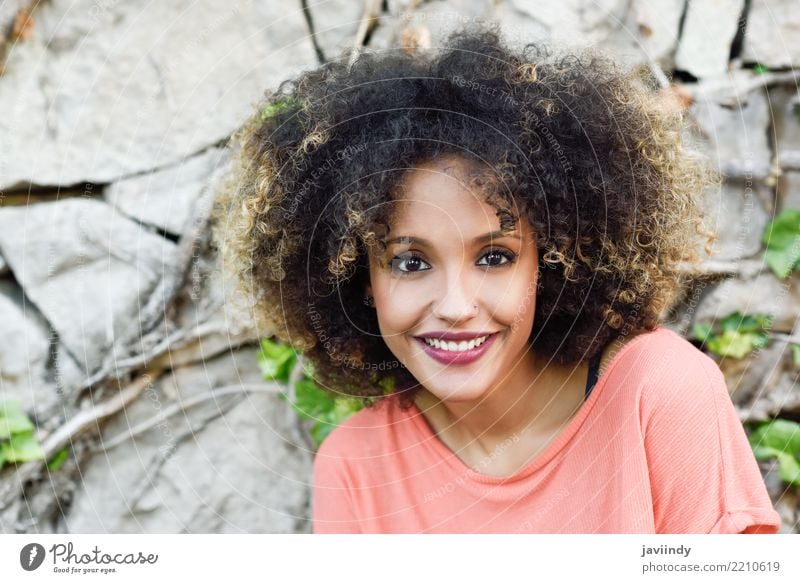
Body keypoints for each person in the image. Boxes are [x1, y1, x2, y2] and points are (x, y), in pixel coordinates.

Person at [213, 24, 782, 534]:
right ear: (362, 279)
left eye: (495, 257)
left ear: (553, 259)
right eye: (411, 263)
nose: (457, 306)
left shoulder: (657, 394)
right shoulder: (358, 464)